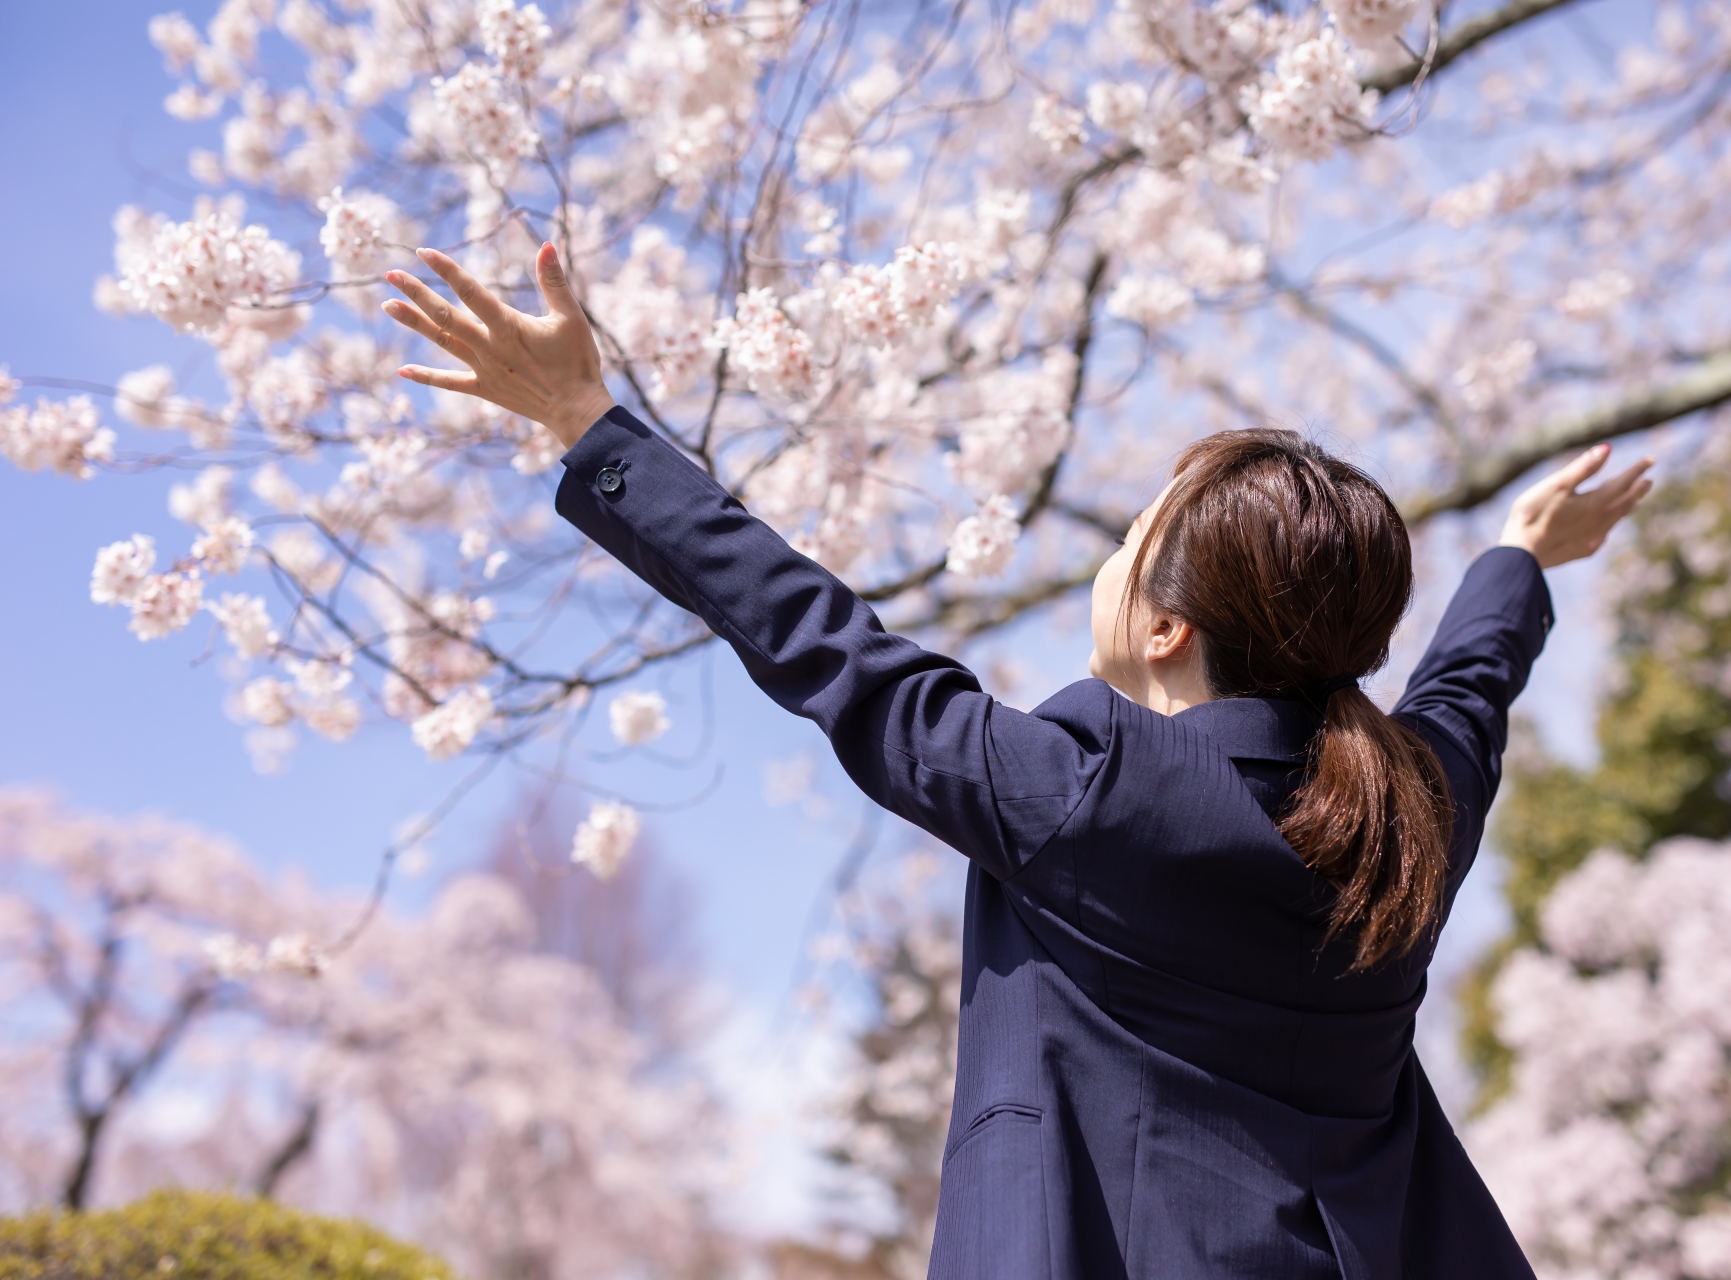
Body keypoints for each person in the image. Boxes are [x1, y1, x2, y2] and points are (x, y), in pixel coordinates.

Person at [383, 243, 1654, 1279]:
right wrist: (1519, 563)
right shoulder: (1410, 824)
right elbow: (1466, 692)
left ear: (1166, 624)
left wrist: (584, 419)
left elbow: (821, 639)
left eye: (1131, 538)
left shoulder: (1084, 796)